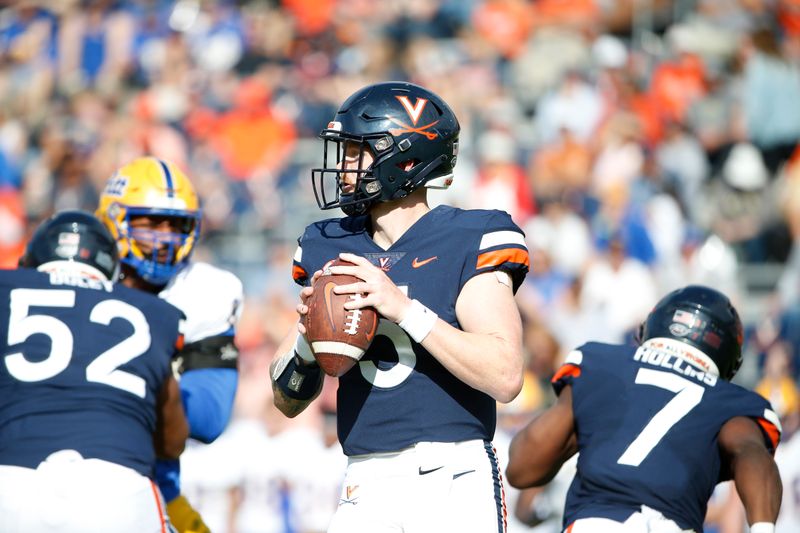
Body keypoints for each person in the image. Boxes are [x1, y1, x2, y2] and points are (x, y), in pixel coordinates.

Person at [269, 81, 530, 533]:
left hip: (451, 475)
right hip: (363, 479)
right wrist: (307, 338)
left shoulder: (468, 237)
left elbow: (505, 376)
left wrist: (403, 309)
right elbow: (286, 399)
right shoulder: (328, 244)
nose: (344, 166)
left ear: (404, 158)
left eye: (357, 151)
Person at [506, 285, 783, 533]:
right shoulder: (729, 400)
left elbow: (522, 469)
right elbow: (752, 455)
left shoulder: (602, 364)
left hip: (598, 522)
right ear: (730, 360)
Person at [0, 210, 188, 533]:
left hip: (12, 483)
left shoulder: (8, 288)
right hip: (118, 490)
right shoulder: (156, 313)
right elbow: (172, 440)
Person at [96, 157, 244, 533]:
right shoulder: (80, 283)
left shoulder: (204, 290)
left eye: (176, 225)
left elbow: (209, 417)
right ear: (113, 221)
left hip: (154, 483)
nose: (164, 237)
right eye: (150, 223)